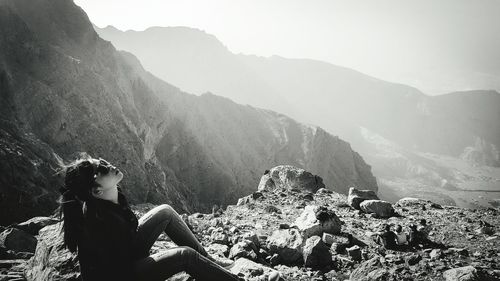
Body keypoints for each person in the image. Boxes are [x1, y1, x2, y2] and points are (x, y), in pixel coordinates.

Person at [57, 155, 241, 281]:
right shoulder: (99, 222)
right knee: (185, 255)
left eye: (103, 161)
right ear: (97, 191)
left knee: (165, 211)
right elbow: (119, 269)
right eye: (103, 168)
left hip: (125, 254)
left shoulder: (110, 196)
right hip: (122, 275)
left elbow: (129, 237)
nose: (109, 164)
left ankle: (209, 259)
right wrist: (157, 262)